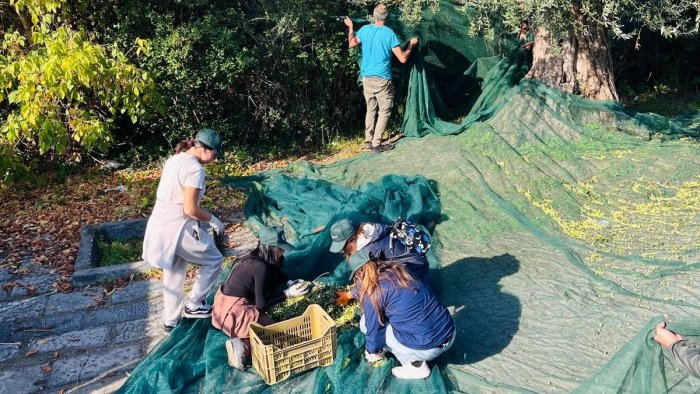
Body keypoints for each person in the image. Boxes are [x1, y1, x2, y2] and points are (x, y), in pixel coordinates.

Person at [142, 129, 226, 333]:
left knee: (174, 273)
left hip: (160, 227)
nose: (214, 160)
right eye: (215, 155)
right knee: (214, 260)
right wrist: (213, 220)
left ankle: (170, 322)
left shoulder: (175, 159)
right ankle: (195, 303)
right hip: (179, 228)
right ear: (204, 149)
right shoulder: (195, 170)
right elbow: (190, 208)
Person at [212, 226, 311, 369]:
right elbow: (261, 305)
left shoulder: (254, 256)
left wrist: (288, 282)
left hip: (221, 305)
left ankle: (242, 339)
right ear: (270, 248)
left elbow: (274, 273)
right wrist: (287, 294)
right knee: (274, 335)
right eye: (280, 248)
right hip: (233, 313)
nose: (282, 251)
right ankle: (243, 346)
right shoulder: (259, 266)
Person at [348, 250, 456, 379]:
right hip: (450, 331)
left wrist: (373, 352)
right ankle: (411, 352)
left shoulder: (373, 293)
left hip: (429, 347)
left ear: (358, 275)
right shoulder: (400, 269)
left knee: (365, 324)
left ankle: (416, 366)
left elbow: (374, 329)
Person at [344, 5, 419, 153]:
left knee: (370, 109)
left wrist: (351, 27)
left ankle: (368, 140)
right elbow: (403, 58)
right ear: (387, 17)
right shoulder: (389, 34)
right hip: (382, 80)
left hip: (366, 79)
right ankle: (376, 144)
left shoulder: (364, 30)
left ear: (374, 16)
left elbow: (351, 44)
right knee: (384, 110)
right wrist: (411, 45)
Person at [329, 218, 430, 284]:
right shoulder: (370, 231)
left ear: (352, 240)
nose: (343, 251)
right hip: (418, 261)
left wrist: (351, 294)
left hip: (414, 271)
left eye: (343, 247)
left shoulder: (370, 250)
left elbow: (369, 280)